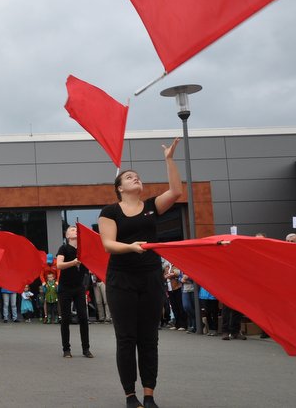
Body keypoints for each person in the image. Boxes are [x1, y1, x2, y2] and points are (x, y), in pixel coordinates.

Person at [98, 137, 182, 408]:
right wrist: (130, 247)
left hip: (150, 278)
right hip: (121, 280)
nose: (136, 179)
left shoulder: (150, 208)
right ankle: (129, 395)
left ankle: (148, 394)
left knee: (149, 337)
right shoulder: (110, 211)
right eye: (129, 177)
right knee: (126, 338)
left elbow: (176, 192)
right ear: (119, 188)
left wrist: (169, 160)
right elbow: (108, 244)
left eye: (137, 177)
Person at [55, 226, 92, 359]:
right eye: (72, 230)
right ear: (67, 236)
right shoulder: (63, 248)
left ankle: (86, 349)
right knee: (65, 319)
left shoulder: (83, 249)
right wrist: (73, 262)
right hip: (65, 288)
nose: (75, 231)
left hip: (78, 288)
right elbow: (58, 265)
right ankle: (66, 349)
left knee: (83, 317)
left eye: (76, 230)